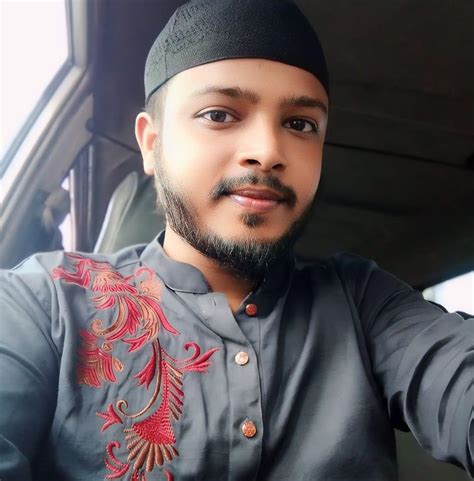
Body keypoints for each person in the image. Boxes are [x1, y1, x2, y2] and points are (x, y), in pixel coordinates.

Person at [0, 0, 472, 480]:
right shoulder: (44, 304)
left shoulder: (363, 303)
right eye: (219, 115)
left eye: (300, 124)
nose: (268, 152)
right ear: (151, 144)